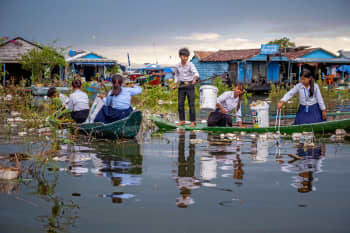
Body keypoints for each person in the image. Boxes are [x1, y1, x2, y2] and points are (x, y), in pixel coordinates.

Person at [172, 48, 199, 128]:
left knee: (191, 104)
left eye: (187, 56)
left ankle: (192, 121)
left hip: (190, 85)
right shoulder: (177, 66)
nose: (186, 58)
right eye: (184, 56)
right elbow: (176, 75)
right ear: (180, 56)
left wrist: (194, 79)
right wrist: (175, 84)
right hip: (182, 85)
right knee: (180, 104)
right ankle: (182, 120)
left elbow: (196, 73)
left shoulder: (191, 64)